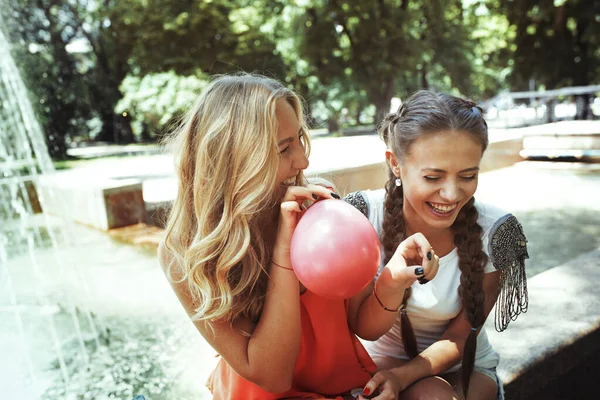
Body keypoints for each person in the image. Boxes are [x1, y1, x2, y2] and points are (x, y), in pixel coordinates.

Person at [157, 74, 440, 400]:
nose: (303, 161)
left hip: (342, 389)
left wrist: (393, 279)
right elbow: (272, 377)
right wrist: (284, 250)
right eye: (283, 147)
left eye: (299, 140)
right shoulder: (184, 252)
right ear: (234, 161)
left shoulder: (321, 205)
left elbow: (362, 323)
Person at [345, 90, 529, 400]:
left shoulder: (498, 234)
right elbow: (364, 329)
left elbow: (460, 338)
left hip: (461, 370)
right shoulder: (360, 216)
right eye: (433, 177)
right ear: (395, 164)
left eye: (468, 175)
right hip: (375, 367)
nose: (451, 194)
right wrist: (392, 282)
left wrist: (402, 377)